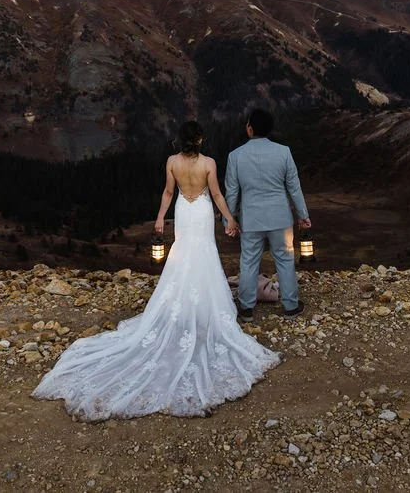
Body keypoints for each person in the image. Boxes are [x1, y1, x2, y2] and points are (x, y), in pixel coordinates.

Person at [32, 121, 280, 421]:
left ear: (180, 141)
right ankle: (202, 309)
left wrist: (161, 218)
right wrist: (229, 219)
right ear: (200, 140)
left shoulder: (172, 162)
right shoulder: (209, 163)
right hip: (200, 212)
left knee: (183, 254)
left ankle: (180, 307)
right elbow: (215, 196)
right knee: (203, 254)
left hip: (183, 212)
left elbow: (167, 192)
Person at [224, 109, 311, 323]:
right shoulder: (284, 152)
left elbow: (232, 192)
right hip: (280, 217)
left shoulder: (235, 156)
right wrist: (303, 215)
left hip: (251, 218)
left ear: (250, 128)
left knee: (249, 261)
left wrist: (229, 220)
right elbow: (294, 187)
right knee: (284, 259)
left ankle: (246, 308)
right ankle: (290, 306)